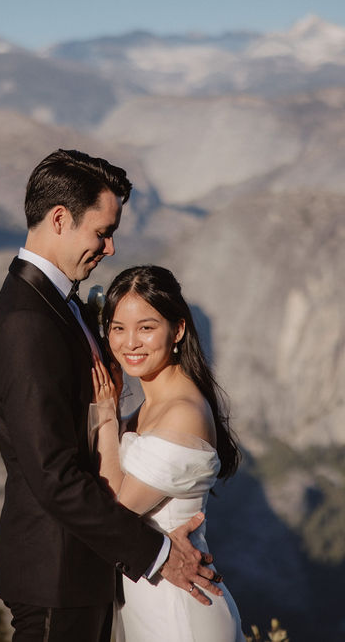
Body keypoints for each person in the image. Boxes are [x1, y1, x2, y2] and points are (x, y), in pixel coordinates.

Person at [0, 150, 223, 641]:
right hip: (57, 575)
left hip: (87, 573)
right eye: (101, 232)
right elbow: (54, 476)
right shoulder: (27, 323)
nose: (111, 248)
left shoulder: (56, 305)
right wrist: (158, 554)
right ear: (59, 219)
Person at [90, 265, 246, 641]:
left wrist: (107, 415)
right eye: (118, 328)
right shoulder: (151, 407)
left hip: (179, 611)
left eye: (146, 327)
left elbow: (117, 509)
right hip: (152, 600)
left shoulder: (182, 412)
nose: (130, 343)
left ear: (177, 330)